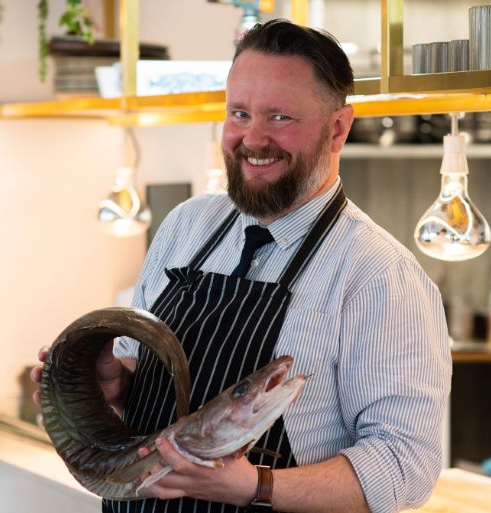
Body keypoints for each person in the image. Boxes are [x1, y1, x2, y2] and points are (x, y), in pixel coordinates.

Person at [32, 19, 451, 513]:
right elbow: (153, 401)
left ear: (337, 128)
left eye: (280, 118)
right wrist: (116, 385)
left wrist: (257, 487)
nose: (252, 139)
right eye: (239, 113)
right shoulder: (187, 226)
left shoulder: (378, 274)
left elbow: (406, 467)